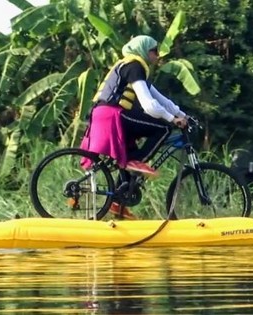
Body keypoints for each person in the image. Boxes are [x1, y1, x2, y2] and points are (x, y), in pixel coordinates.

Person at [80, 35, 188, 219]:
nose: (157, 55)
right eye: (154, 51)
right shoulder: (134, 66)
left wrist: (184, 115)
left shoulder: (135, 68)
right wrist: (172, 120)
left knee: (130, 153)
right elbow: (149, 105)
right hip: (111, 115)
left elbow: (162, 99)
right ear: (144, 50)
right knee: (163, 128)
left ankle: (116, 202)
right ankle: (137, 162)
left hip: (106, 115)